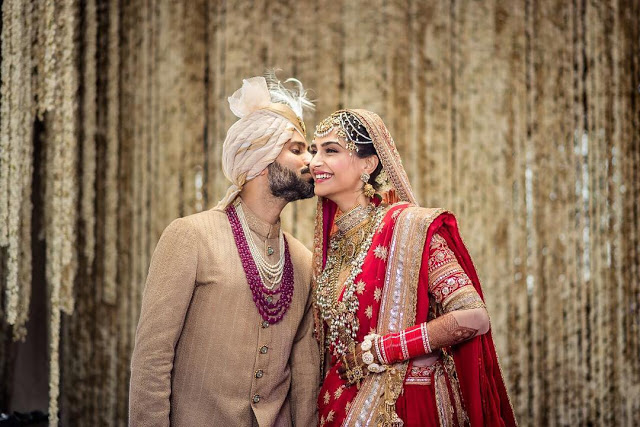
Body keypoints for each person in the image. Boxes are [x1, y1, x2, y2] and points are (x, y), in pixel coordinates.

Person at [129, 74, 320, 426]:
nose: (310, 159)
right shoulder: (190, 236)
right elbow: (152, 359)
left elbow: (306, 375)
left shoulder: (304, 261)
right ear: (260, 158)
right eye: (296, 149)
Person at [309, 109, 517, 427]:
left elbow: (474, 318)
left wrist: (385, 349)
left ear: (368, 163)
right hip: (341, 407)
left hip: (406, 406)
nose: (315, 162)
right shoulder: (332, 246)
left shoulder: (409, 229)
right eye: (314, 151)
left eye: (331, 151)